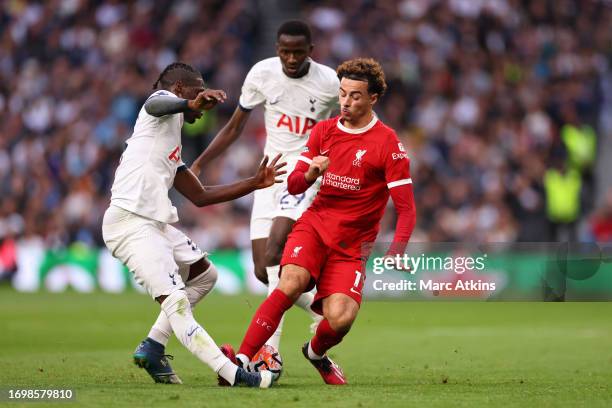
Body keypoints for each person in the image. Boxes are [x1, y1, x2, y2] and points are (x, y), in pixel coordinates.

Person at [230, 58, 416, 385]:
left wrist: (398, 249)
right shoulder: (324, 131)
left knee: (340, 319)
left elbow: (407, 208)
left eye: (355, 96)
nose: (345, 102)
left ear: (373, 98)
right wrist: (311, 172)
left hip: (351, 247)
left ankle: (315, 353)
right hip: (315, 227)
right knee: (289, 283)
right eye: (342, 93)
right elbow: (294, 184)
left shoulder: (388, 144)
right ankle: (240, 361)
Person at [101, 62, 286, 388]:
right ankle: (236, 375)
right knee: (176, 302)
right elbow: (155, 101)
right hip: (130, 223)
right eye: (197, 92)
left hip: (154, 223)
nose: (203, 102)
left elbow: (199, 196)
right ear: (178, 90)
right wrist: (189, 104)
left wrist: (254, 183)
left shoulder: (171, 140)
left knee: (205, 275)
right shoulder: (158, 108)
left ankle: (154, 346)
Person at [191, 20, 339, 351]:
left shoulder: (329, 82)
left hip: (304, 177)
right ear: (276, 49)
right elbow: (234, 128)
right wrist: (200, 163)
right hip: (269, 176)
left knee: (275, 251)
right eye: (285, 51)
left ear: (310, 52)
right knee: (263, 269)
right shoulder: (261, 74)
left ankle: (267, 354)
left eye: (298, 52)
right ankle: (326, 309)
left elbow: (350, 124)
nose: (291, 58)